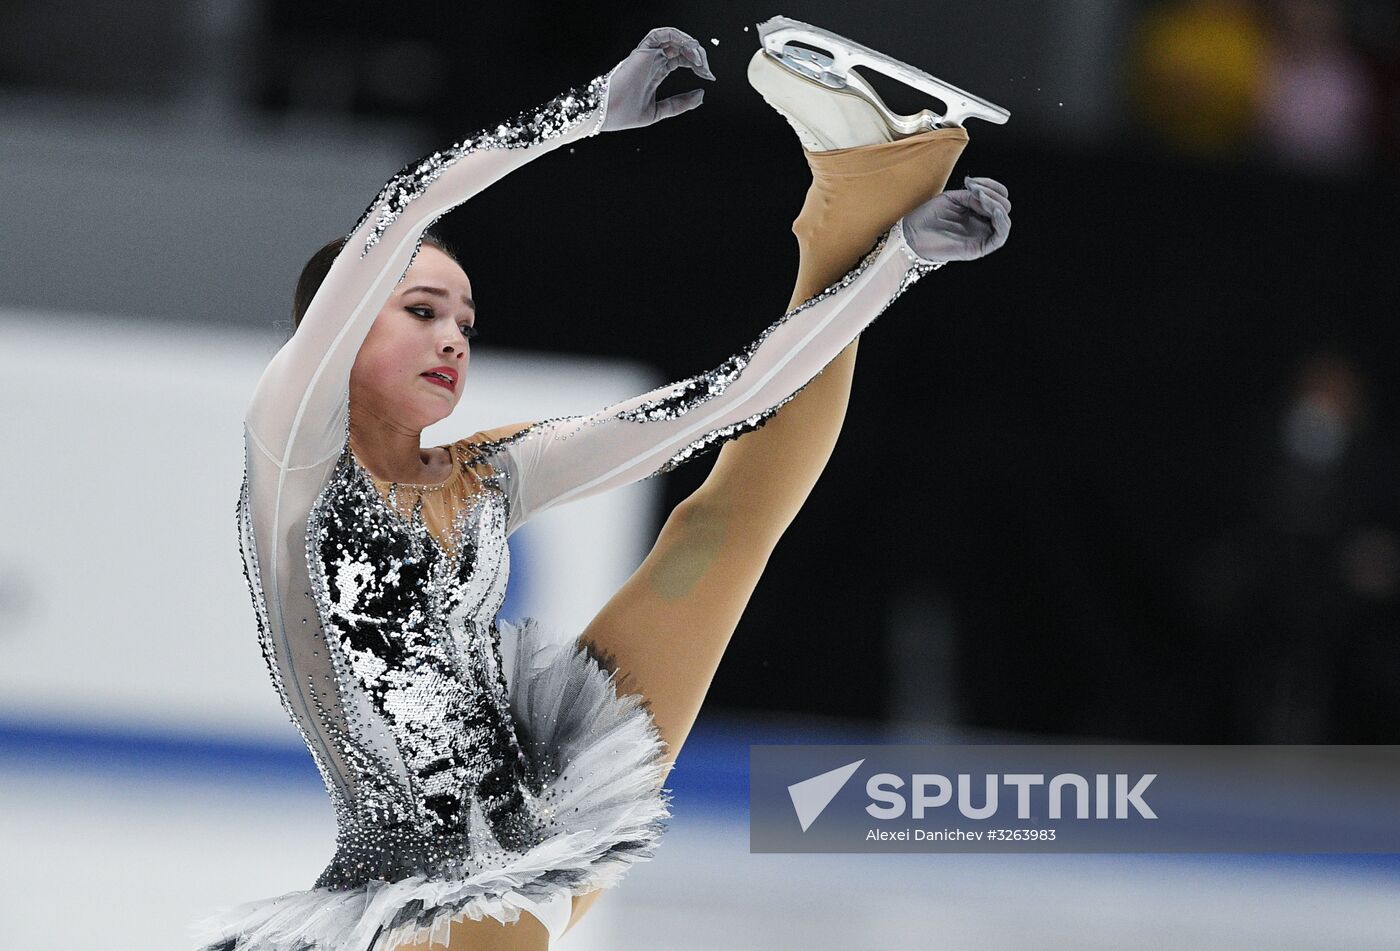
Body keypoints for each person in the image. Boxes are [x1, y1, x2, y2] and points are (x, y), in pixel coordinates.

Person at [189, 23, 1010, 951]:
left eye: (464, 317)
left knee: (719, 524)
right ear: (329, 333)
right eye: (420, 311)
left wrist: (895, 254)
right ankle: (871, 184)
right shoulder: (294, 446)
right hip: (420, 895)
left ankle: (864, 186)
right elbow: (403, 210)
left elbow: (731, 398)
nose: (453, 337)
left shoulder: (485, 472)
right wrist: (582, 116)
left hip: (548, 818)